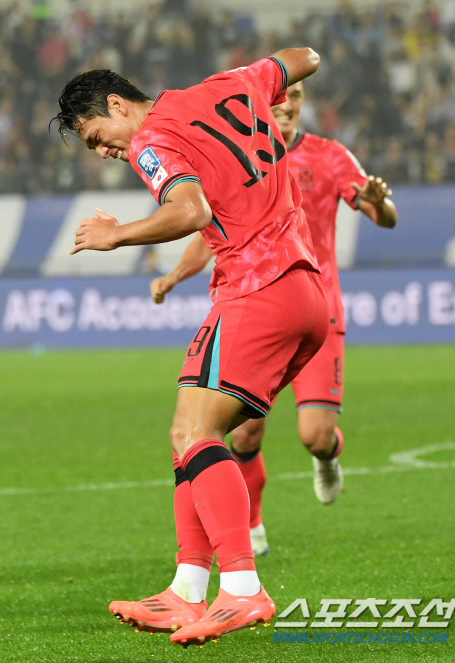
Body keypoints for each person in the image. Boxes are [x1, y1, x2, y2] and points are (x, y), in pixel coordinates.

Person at [53, 48, 327, 646]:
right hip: (307, 290)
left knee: (192, 436)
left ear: (118, 104)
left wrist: (116, 234)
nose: (104, 152)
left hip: (257, 286)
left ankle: (242, 588)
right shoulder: (229, 84)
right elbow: (304, 57)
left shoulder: (153, 139)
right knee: (193, 435)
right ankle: (185, 588)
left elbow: (190, 209)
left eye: (98, 136)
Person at [150, 81, 398, 555]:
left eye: (298, 96)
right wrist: (173, 277)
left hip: (314, 307)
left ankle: (327, 456)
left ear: (304, 104)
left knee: (314, 435)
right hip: (258, 302)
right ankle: (253, 524)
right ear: (261, 102)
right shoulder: (238, 153)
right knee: (241, 428)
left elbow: (381, 216)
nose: (286, 105)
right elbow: (208, 229)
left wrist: (379, 200)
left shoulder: (329, 158)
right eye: (281, 96)